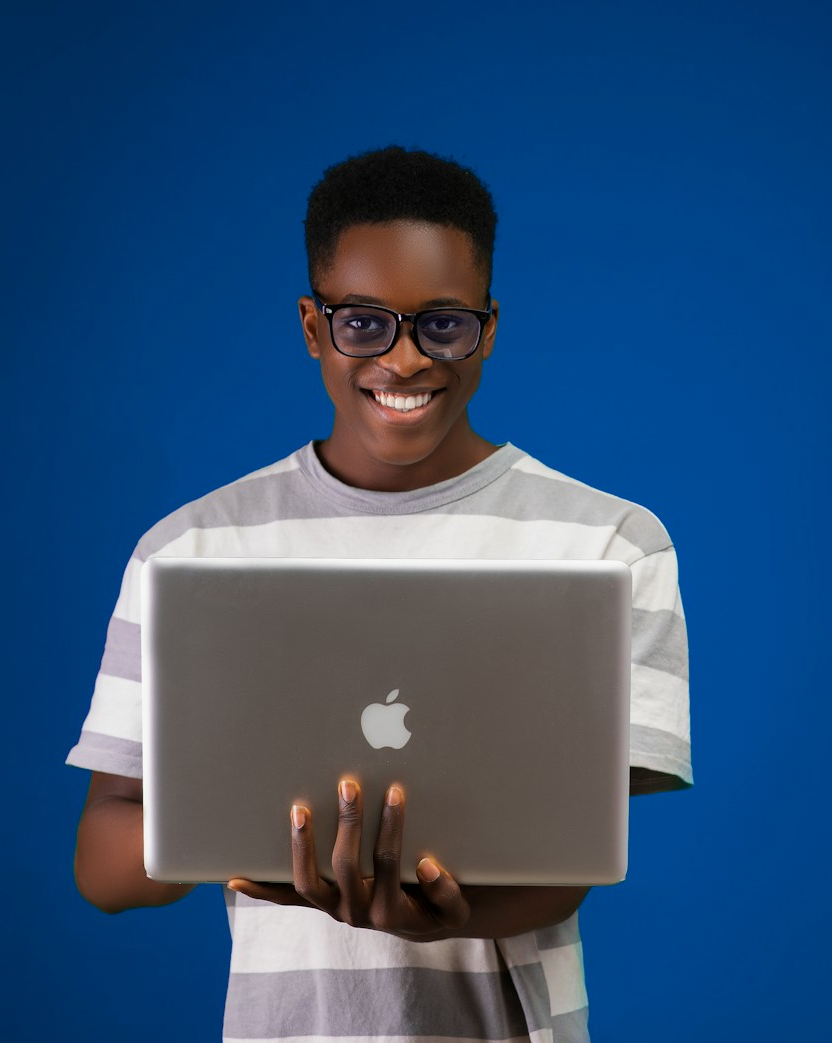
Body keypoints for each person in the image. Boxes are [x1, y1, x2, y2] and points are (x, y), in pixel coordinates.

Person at [67, 145, 692, 1043]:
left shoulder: (607, 541)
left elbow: (579, 851)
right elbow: (104, 859)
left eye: (443, 324)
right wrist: (240, 847)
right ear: (314, 327)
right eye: (364, 322)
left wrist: (443, 912)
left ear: (490, 326)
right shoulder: (191, 549)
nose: (403, 360)